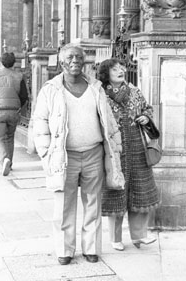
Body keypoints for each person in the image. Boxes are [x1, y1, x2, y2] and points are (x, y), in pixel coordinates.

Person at [32, 44, 124, 266]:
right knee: (63, 203)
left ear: (84, 62)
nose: (75, 61)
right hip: (65, 156)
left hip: (94, 152)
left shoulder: (96, 87)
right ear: (62, 63)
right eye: (70, 57)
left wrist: (116, 146)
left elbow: (108, 120)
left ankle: (91, 248)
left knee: (93, 203)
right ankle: (65, 249)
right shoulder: (50, 90)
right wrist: (46, 153)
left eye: (79, 57)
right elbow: (40, 122)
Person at [97, 58, 160, 251]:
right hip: (115, 149)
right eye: (114, 69)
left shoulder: (134, 92)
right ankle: (115, 238)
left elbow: (147, 108)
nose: (120, 71)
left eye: (121, 68)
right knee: (117, 190)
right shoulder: (101, 95)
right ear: (106, 74)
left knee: (140, 190)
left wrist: (145, 117)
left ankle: (139, 236)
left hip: (137, 146)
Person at [0, 52, 28, 176]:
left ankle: (4, 159)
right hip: (13, 111)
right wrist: (19, 106)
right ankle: (10, 162)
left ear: (1, 63)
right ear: (14, 63)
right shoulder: (19, 76)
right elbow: (24, 95)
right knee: (9, 137)